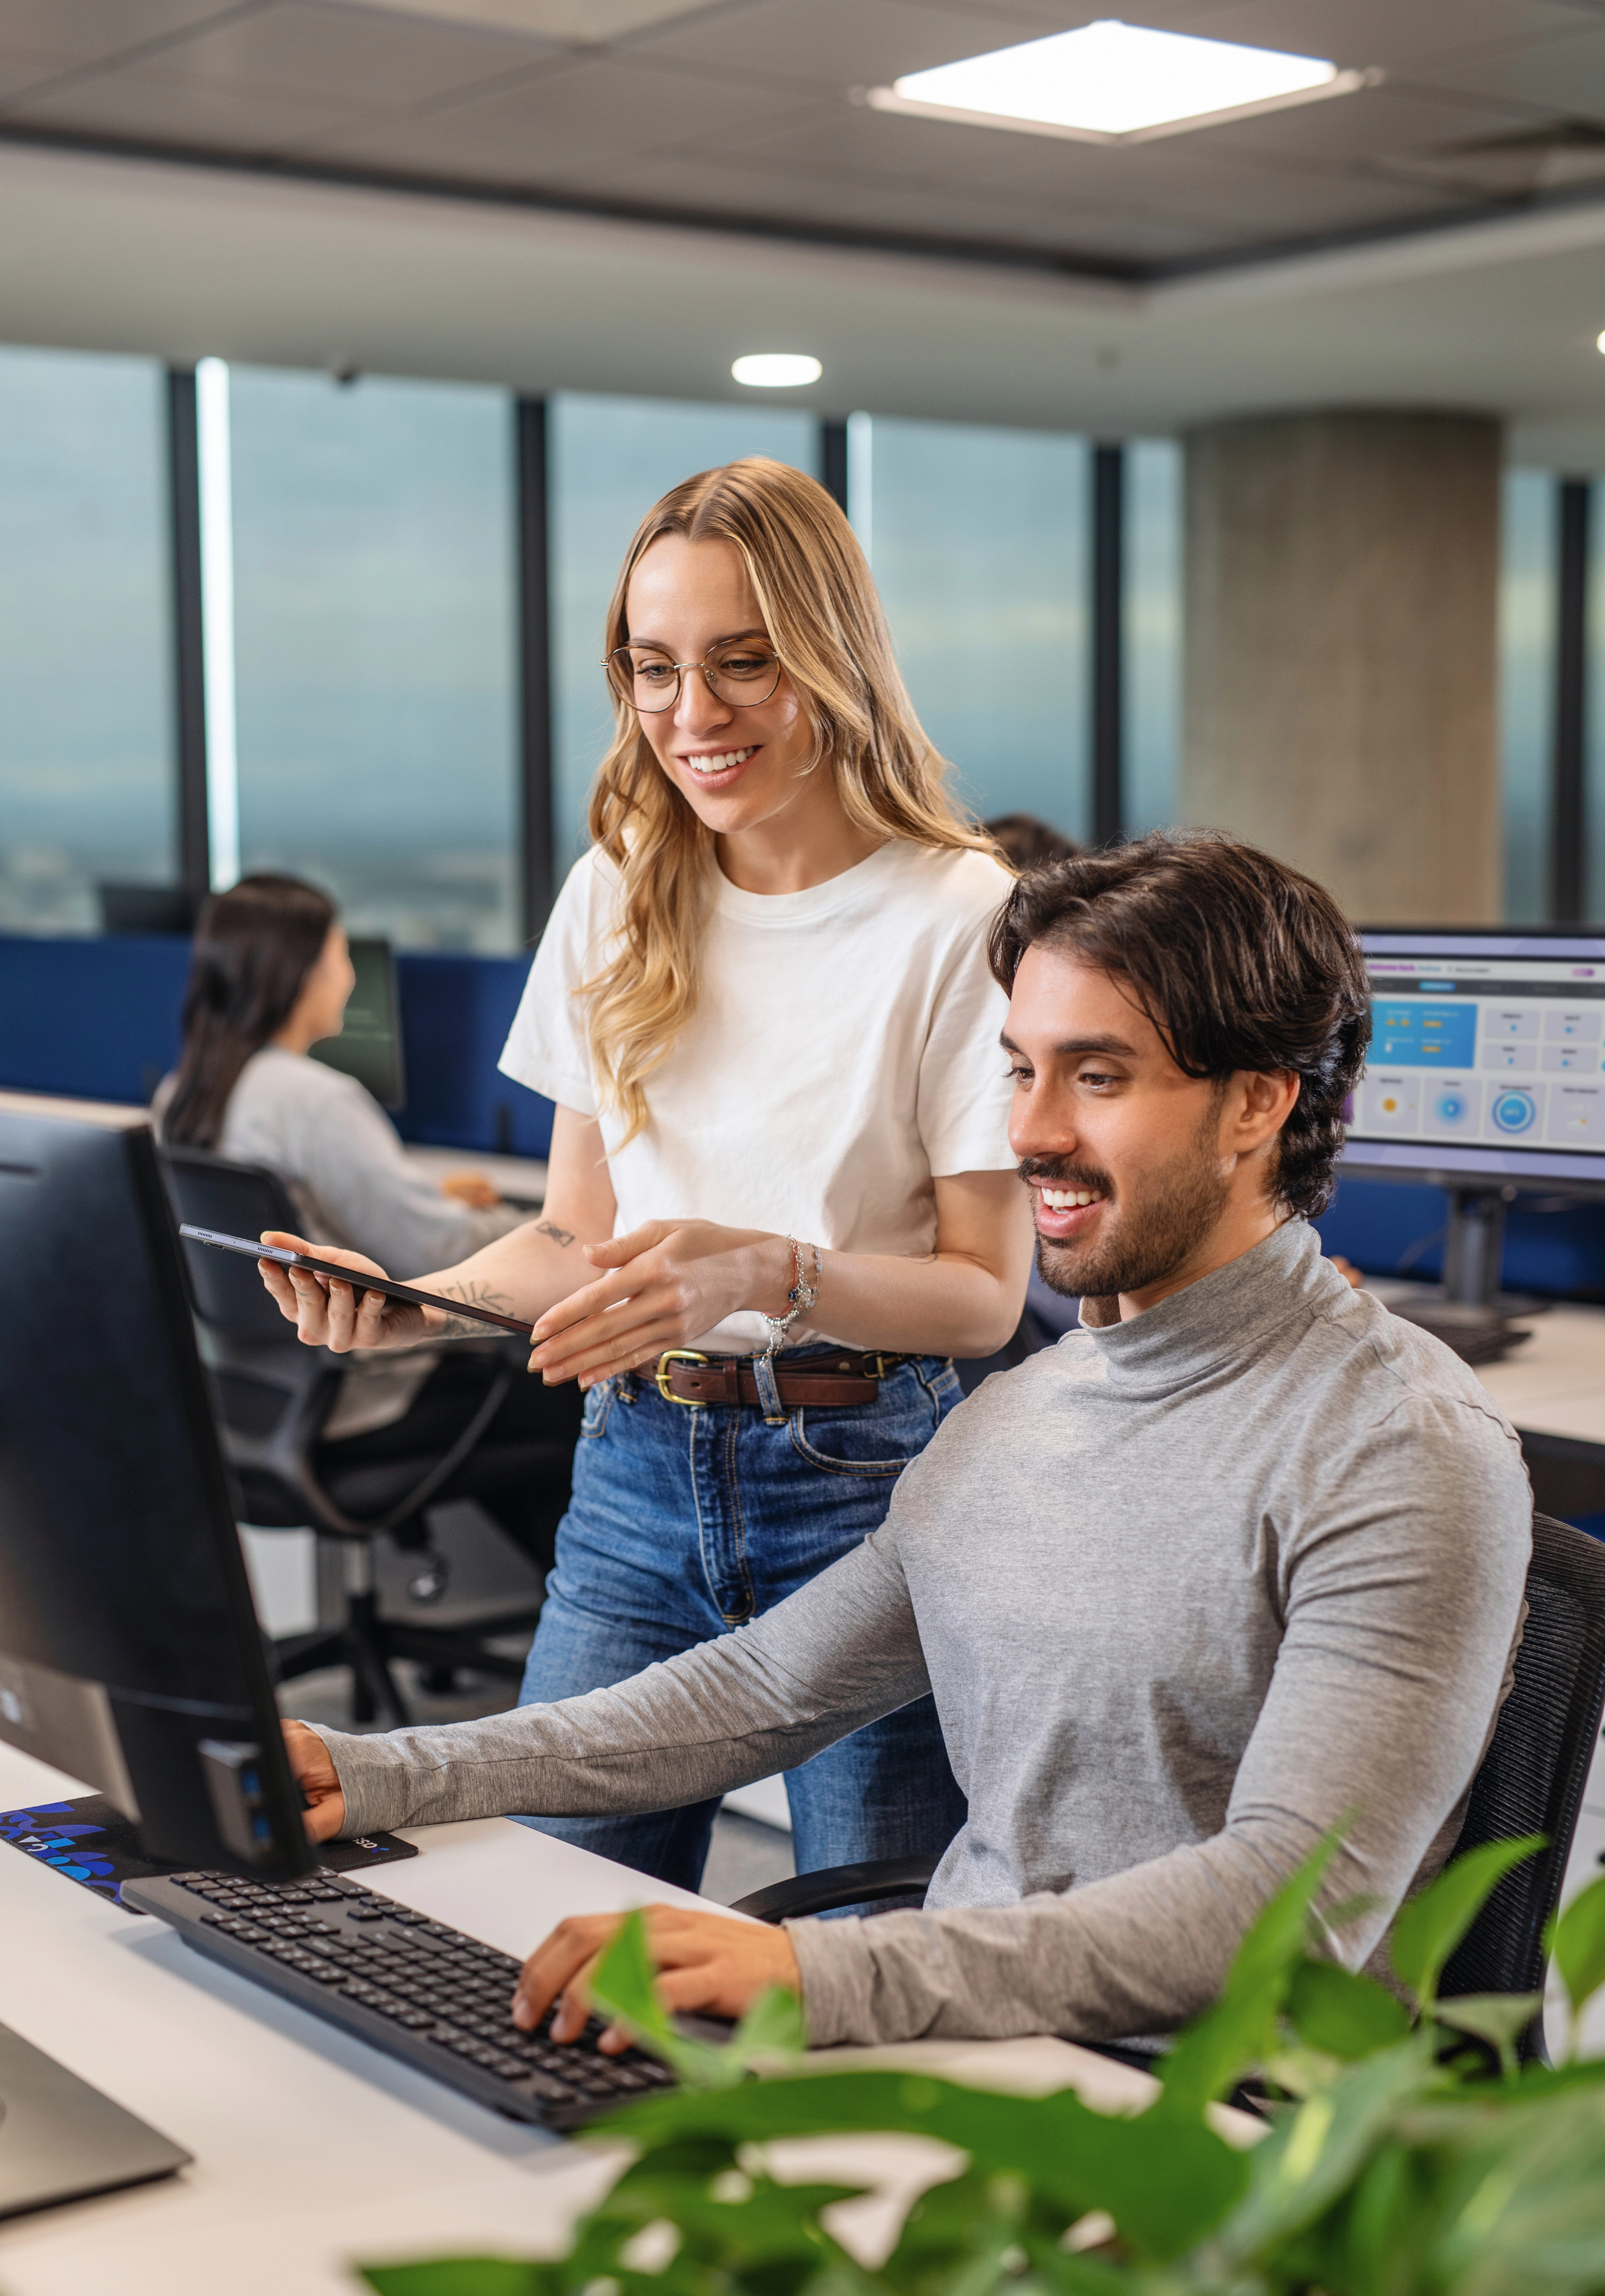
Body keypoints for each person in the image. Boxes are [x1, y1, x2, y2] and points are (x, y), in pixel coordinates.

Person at [278, 831, 1531, 2056]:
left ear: (1257, 1100)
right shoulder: (1019, 1414)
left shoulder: (1398, 1447)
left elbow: (1294, 1912)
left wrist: (823, 1973)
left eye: (1097, 1078)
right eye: (1021, 1071)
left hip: (1205, 2141)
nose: (1030, 1134)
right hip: (970, 2054)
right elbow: (762, 1692)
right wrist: (378, 1771)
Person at [261, 456, 1033, 1890]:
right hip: (633, 1477)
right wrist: (420, 1303)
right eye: (653, 669)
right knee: (553, 1918)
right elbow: (571, 1233)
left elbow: (986, 1298)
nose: (691, 716)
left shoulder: (957, 914)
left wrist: (768, 1273)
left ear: (833, 660)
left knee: (856, 1944)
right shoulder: (619, 880)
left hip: (863, 1483)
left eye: (742, 664)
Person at [159, 874, 576, 1564]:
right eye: (341, 954)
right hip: (362, 1390)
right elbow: (432, 1247)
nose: (349, 975)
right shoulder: (316, 1100)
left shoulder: (185, 1092)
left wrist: (430, 1196)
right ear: (303, 971)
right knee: (572, 1398)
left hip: (251, 1397)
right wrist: (537, 1220)